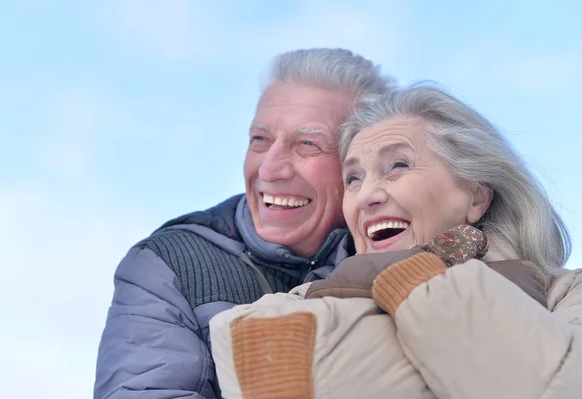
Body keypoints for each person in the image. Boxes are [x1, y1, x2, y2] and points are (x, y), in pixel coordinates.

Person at [210, 83, 582, 399]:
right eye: (353, 178)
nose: (367, 194)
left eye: (398, 165)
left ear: (476, 197)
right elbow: (254, 363)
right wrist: (424, 278)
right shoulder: (293, 301)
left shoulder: (571, 293)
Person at [93, 48, 396, 399]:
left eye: (308, 144)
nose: (269, 169)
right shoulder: (170, 264)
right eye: (260, 140)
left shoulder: (402, 251)